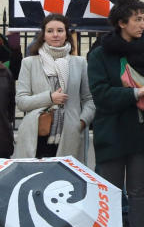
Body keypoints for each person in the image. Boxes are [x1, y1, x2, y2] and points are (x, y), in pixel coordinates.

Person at [88, 0, 144, 227]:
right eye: (137, 19)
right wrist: (134, 93)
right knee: (110, 193)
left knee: (139, 190)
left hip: (141, 133)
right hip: (112, 134)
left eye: (143, 19)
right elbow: (101, 95)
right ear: (121, 22)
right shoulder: (99, 55)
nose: (142, 25)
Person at [14, 13, 95, 162]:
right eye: (50, 31)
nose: (55, 35)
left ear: (66, 34)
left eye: (60, 30)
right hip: (37, 134)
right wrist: (49, 98)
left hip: (71, 132)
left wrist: (82, 122)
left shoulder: (79, 63)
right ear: (43, 35)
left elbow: (89, 99)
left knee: (66, 182)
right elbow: (21, 101)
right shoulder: (29, 63)